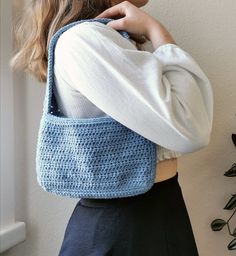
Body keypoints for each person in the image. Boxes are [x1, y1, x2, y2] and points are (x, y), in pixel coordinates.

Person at [10, 0, 213, 255]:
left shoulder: (100, 39)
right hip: (127, 226)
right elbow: (190, 128)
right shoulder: (85, 40)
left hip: (145, 216)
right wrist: (159, 33)